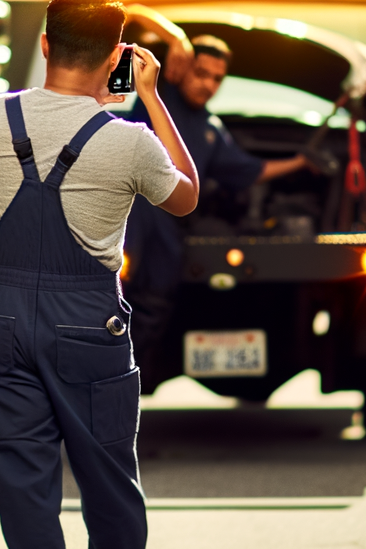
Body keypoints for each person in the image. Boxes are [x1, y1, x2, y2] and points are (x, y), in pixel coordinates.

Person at [0, 0, 199, 549]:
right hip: (90, 320)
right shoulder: (128, 144)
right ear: (119, 56)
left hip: (4, 316)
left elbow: (41, 108)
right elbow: (185, 194)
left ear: (43, 45)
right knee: (108, 476)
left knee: (21, 474)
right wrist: (150, 96)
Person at [119, 21, 308, 379]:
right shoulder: (155, 94)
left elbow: (248, 170)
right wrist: (175, 37)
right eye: (201, 72)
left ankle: (123, 389)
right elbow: (126, 12)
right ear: (181, 67)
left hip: (166, 236)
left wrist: (301, 162)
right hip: (128, 221)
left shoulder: (211, 129)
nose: (208, 83)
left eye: (217, 78)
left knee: (151, 310)